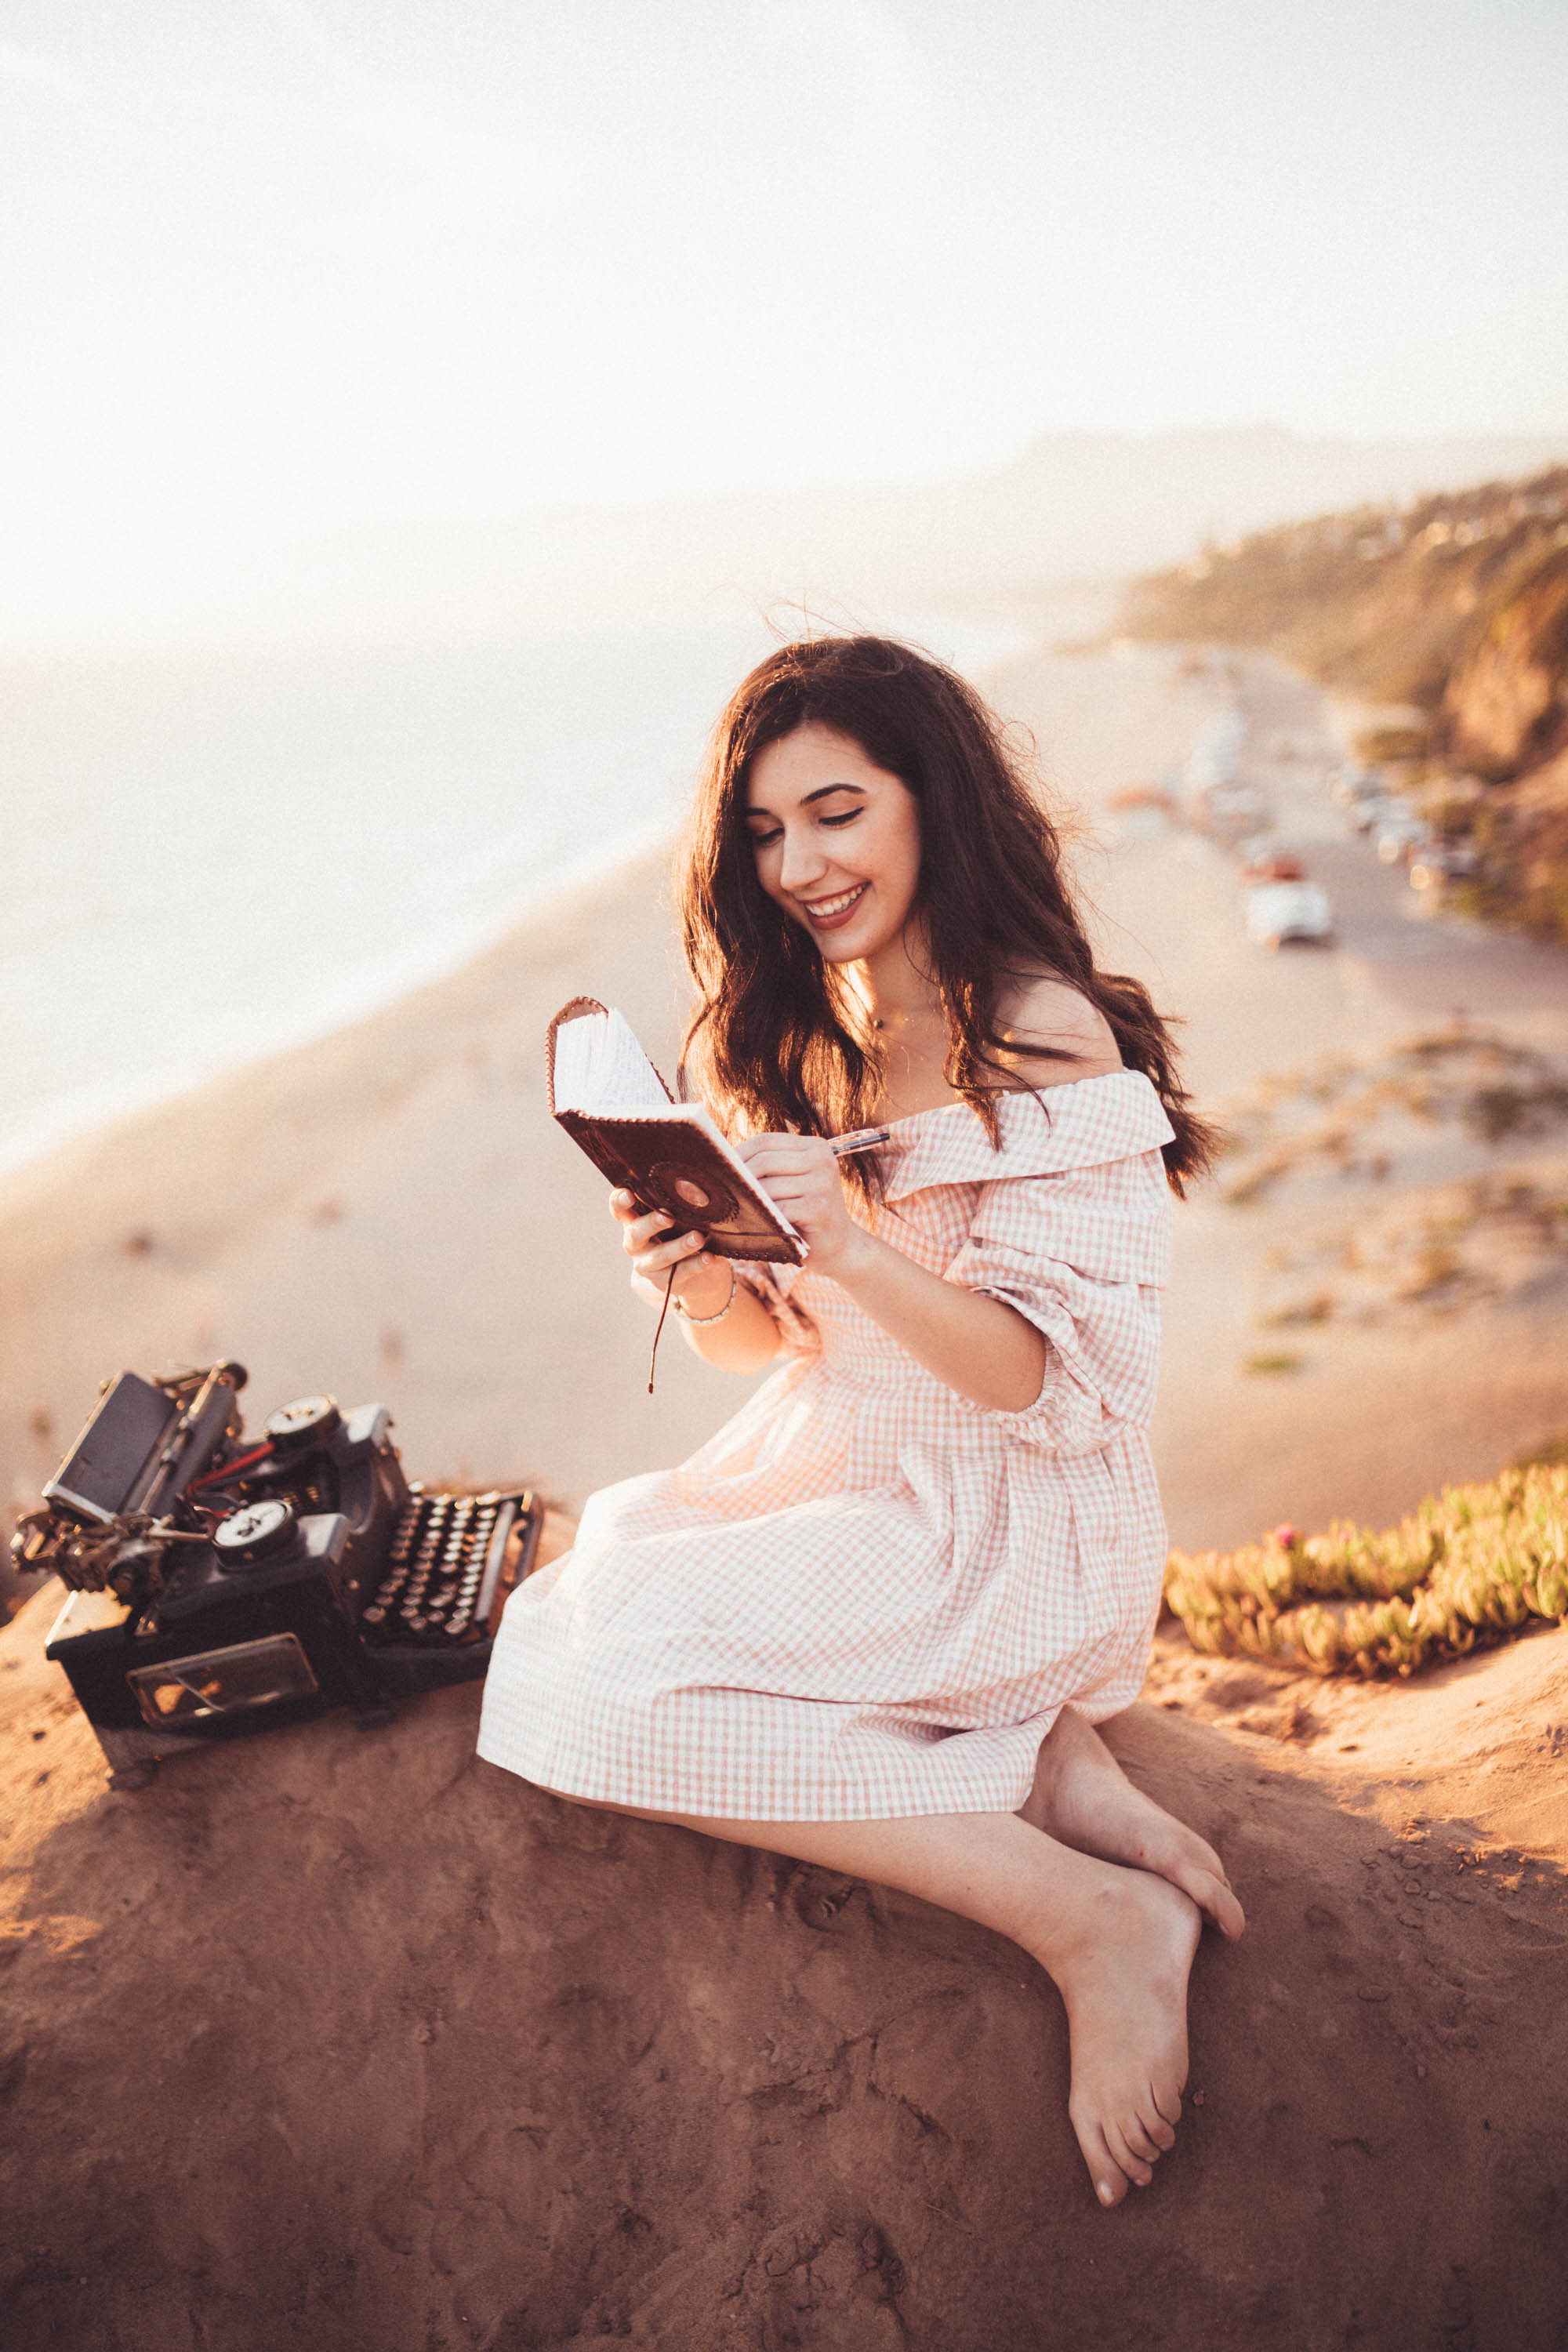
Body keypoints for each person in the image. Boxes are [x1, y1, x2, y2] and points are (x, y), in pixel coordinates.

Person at [478, 634, 1245, 2209]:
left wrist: (850, 1241)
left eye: (836, 810)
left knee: (609, 1693)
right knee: (583, 1603)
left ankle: (1082, 1916)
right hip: (842, 1468)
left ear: (929, 802)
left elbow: (1059, 1385)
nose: (803, 864)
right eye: (764, 832)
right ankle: (1024, 1754)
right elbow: (766, 1342)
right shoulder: (788, 1035)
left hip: (1012, 1513)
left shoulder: (1037, 1031)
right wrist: (692, 1270)